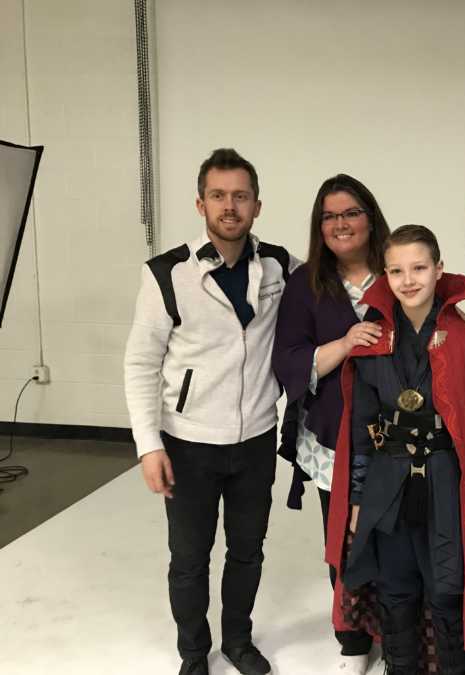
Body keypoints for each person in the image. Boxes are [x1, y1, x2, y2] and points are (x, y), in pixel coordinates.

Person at [124, 148, 299, 675]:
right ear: (200, 203)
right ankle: (194, 653)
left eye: (240, 196)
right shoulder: (166, 273)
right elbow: (140, 363)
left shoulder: (279, 265)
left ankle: (239, 641)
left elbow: (332, 294)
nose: (230, 206)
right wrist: (148, 444)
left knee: (248, 550)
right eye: (219, 196)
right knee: (190, 558)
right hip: (188, 441)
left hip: (255, 440)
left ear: (257, 205)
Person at [326, 225, 465, 675]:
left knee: (447, 586)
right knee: (396, 586)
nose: (409, 280)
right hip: (388, 482)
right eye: (397, 270)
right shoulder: (372, 340)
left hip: (445, 481)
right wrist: (359, 500)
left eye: (419, 268)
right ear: (385, 275)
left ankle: (453, 669)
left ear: (438, 270)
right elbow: (362, 432)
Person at [272, 174, 390, 674]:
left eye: (351, 213)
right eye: (329, 216)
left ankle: (398, 633)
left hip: (399, 438)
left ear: (371, 218)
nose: (340, 224)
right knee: (342, 538)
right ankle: (352, 639)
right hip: (333, 436)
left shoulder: (397, 269)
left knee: (397, 537)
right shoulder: (305, 284)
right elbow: (288, 360)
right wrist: (344, 344)